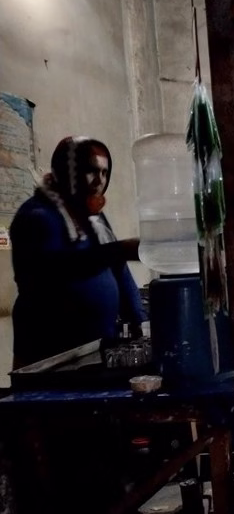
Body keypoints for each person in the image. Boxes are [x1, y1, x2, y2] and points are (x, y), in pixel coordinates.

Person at [10, 136, 145, 368]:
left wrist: (141, 322)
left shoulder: (93, 218)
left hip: (93, 351)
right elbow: (57, 269)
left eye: (105, 173)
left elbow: (118, 269)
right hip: (48, 357)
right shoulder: (36, 216)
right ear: (67, 172)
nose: (99, 181)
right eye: (91, 171)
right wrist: (118, 250)